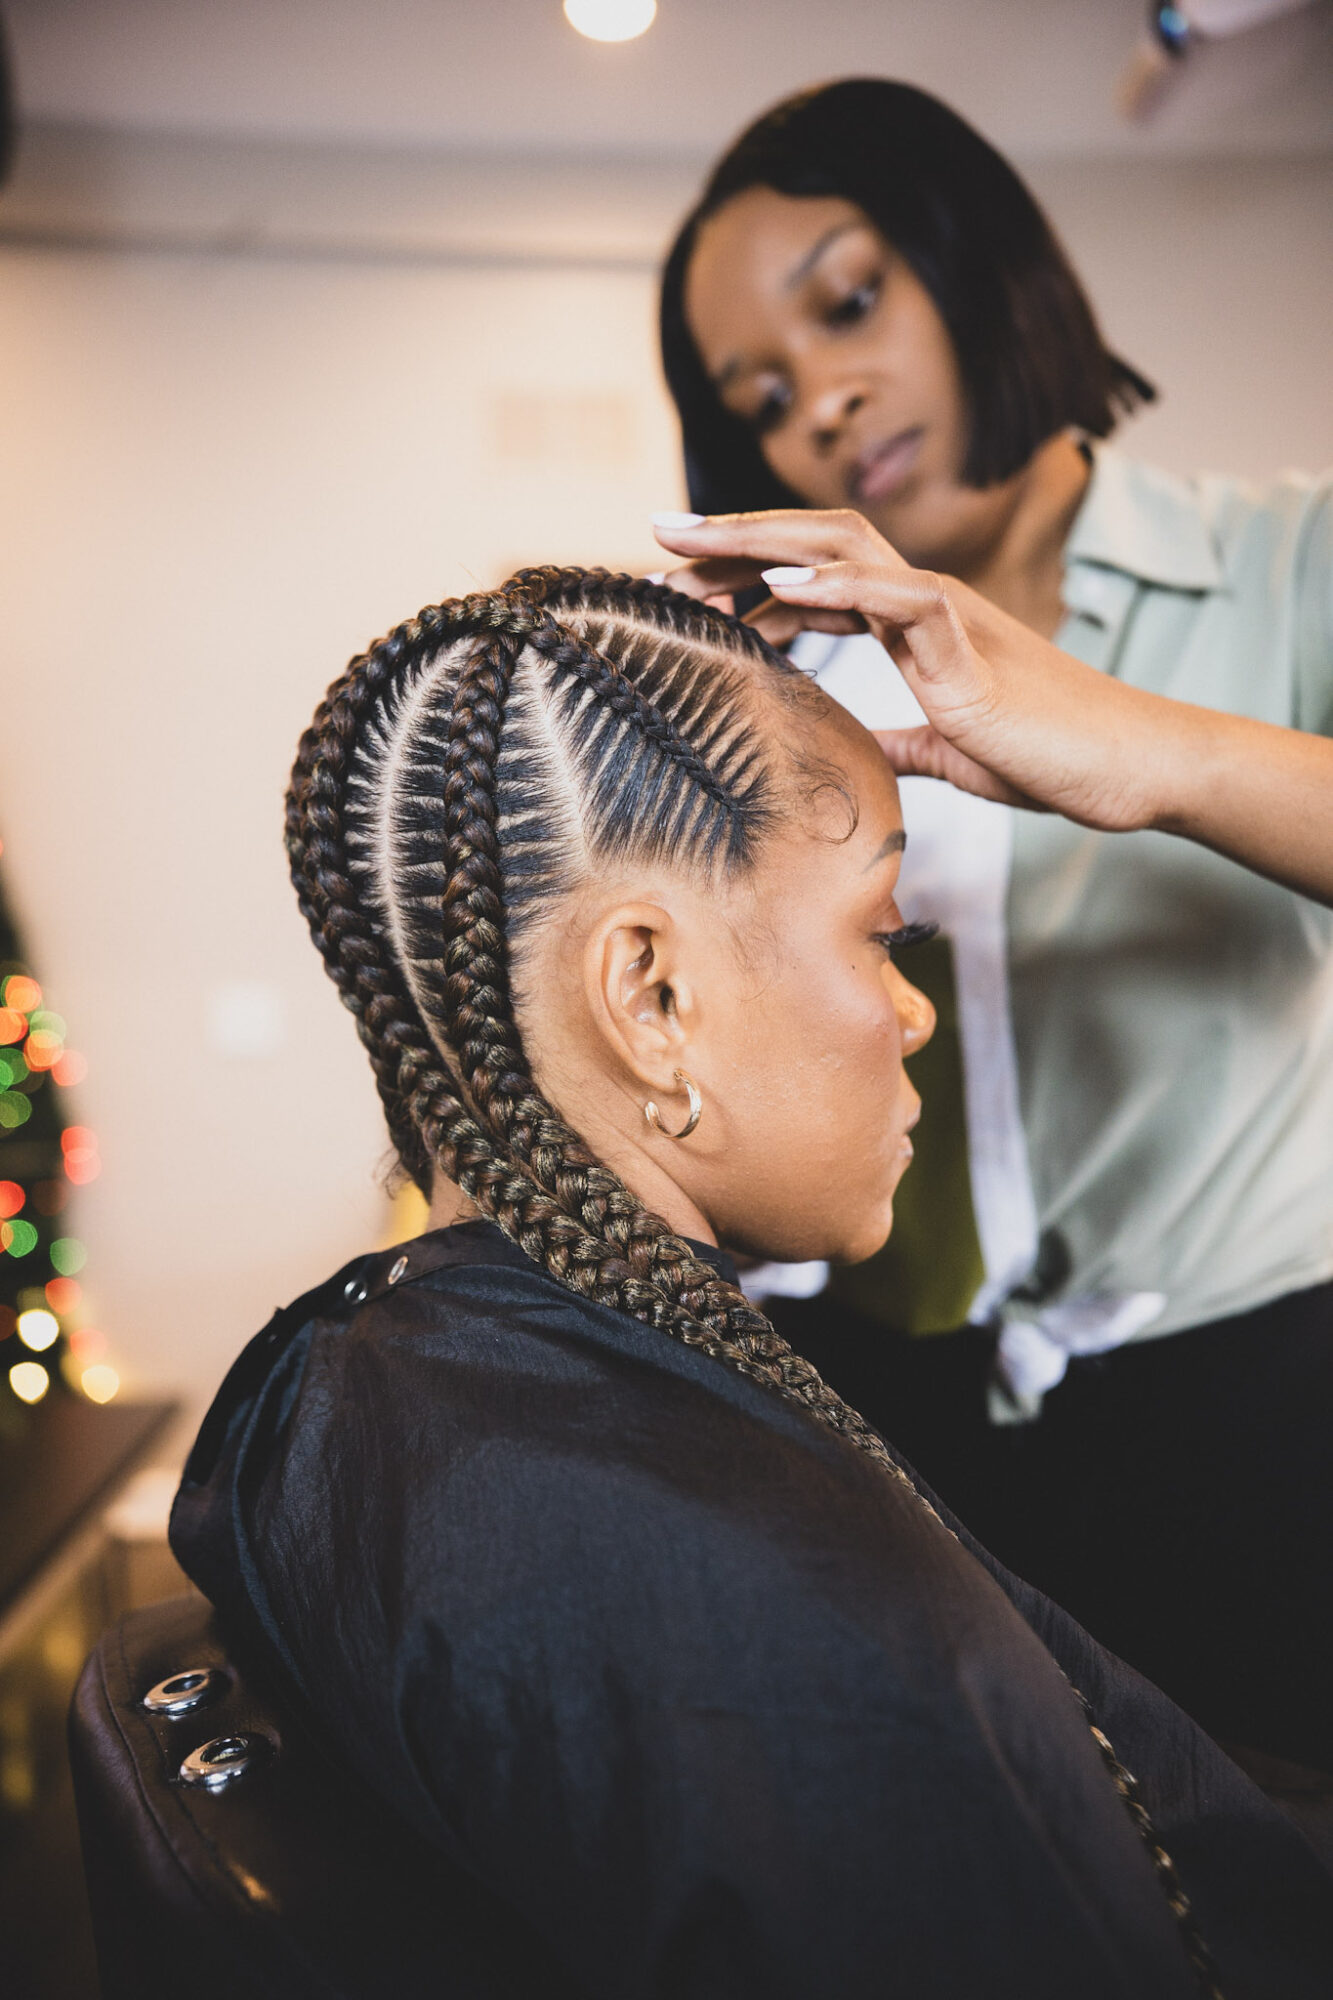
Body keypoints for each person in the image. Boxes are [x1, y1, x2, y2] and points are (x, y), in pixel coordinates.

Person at [170, 566, 1333, 1997]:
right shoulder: (784, 1630)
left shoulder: (333, 1386)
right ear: (651, 1000)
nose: (912, 1011)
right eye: (882, 930)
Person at [656, 77, 1333, 1763]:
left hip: (1251, 1409)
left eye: (848, 300)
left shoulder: (1284, 562)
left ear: (978, 260)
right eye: (760, 391)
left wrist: (1152, 756)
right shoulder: (780, 697)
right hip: (895, 1429)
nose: (819, 400)